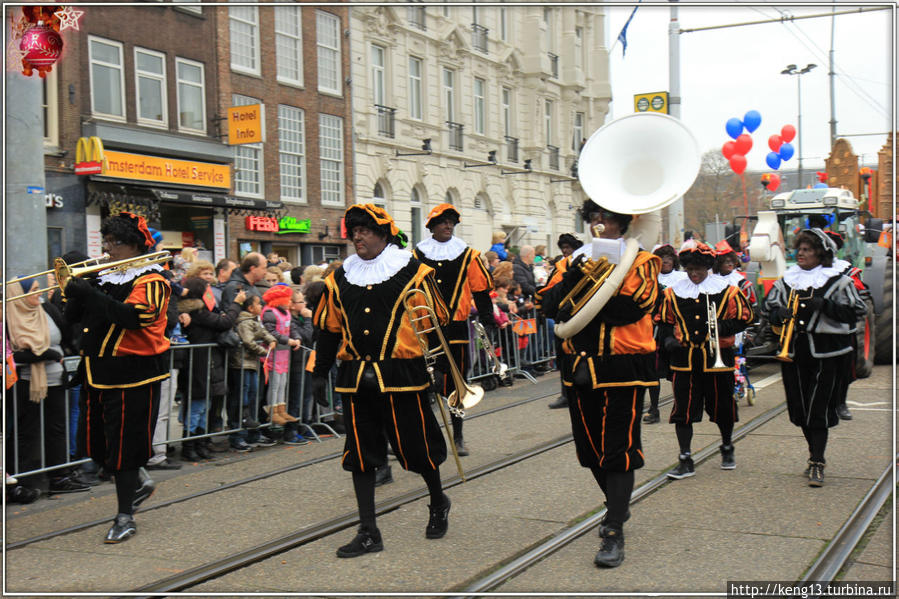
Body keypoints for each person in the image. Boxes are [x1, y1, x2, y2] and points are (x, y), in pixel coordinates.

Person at [311, 204, 452, 558]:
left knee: (418, 450)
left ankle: (438, 500)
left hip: (404, 376)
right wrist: (318, 372)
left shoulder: (414, 272)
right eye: (354, 230)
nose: (358, 235)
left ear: (384, 234)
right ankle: (368, 531)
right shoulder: (340, 277)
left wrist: (440, 371)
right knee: (361, 456)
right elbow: (328, 330)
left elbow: (436, 324)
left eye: (366, 230)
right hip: (356, 379)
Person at [536, 199, 660, 568]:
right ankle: (618, 506)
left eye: (605, 217)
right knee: (590, 450)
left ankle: (612, 529)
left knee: (618, 447)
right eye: (593, 218)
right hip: (578, 367)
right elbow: (549, 306)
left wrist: (594, 286)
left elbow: (632, 308)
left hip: (623, 366)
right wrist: (575, 279)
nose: (598, 224)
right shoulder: (572, 262)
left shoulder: (642, 262)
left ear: (622, 222)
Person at [63, 212, 171, 543]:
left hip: (133, 374)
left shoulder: (153, 280)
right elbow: (73, 320)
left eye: (115, 243)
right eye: (106, 241)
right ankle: (138, 480)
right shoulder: (106, 277)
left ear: (134, 245)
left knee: (125, 448)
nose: (108, 249)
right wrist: (74, 292)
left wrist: (91, 293)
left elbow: (134, 318)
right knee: (96, 446)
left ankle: (125, 514)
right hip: (97, 371)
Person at [766, 229, 866, 487]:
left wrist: (824, 305)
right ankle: (814, 454)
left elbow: (857, 310)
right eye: (799, 249)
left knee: (818, 409)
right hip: (795, 352)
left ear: (821, 255)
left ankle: (817, 461)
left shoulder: (838, 282)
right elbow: (768, 308)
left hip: (828, 354)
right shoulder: (787, 280)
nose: (800, 253)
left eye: (807, 249)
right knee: (800, 410)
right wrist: (779, 314)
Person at [658, 242, 754, 478]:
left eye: (699, 268)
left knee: (722, 407)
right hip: (685, 360)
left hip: (717, 358)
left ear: (708, 268)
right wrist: (668, 340)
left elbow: (746, 317)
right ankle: (685, 457)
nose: (694, 273)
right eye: (690, 268)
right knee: (683, 409)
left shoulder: (727, 290)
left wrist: (724, 326)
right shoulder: (672, 292)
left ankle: (727, 446)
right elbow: (664, 321)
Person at [412, 203, 495, 457]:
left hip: (456, 328)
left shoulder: (467, 254)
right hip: (426, 328)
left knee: (457, 385)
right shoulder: (418, 254)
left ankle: (458, 436)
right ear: (432, 226)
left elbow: (480, 289)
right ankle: (425, 436)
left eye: (451, 222)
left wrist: (488, 318)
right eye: (442, 222)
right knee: (425, 382)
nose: (448, 226)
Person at [5, 277, 90, 496]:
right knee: (26, 431)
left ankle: (59, 477)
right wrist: (47, 354)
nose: (38, 294)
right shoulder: (9, 315)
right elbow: (11, 355)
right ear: (18, 294)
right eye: (32, 291)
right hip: (26, 382)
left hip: (54, 379)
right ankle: (23, 480)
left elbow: (65, 333)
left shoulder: (46, 308)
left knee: (57, 428)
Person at [176, 277, 244, 461]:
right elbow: (224, 323)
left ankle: (200, 441)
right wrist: (236, 304)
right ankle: (189, 444)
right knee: (197, 405)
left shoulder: (199, 311)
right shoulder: (197, 311)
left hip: (207, 362)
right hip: (198, 363)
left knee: (205, 405)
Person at [825, 230, 866, 421]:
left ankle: (841, 402)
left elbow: (858, 301)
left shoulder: (847, 270)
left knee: (843, 369)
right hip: (815, 331)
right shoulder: (805, 273)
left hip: (842, 329)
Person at [643, 244, 686, 424]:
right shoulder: (650, 278)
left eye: (669, 257)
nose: (666, 260)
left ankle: (682, 406)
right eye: (662, 257)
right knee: (652, 372)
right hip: (655, 330)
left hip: (675, 329)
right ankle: (654, 409)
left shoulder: (682, 278)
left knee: (678, 370)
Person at [228, 294, 275, 452]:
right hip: (242, 364)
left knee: (253, 397)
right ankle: (237, 435)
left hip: (251, 364)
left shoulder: (255, 320)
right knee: (242, 399)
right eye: (258, 304)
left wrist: (271, 340)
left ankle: (251, 433)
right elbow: (248, 341)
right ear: (250, 308)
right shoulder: (244, 322)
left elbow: (263, 332)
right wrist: (263, 350)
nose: (261, 306)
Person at [542, 233, 584, 410]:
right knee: (563, 358)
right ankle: (566, 393)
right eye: (563, 248)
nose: (566, 251)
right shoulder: (559, 267)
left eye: (569, 248)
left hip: (579, 318)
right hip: (563, 319)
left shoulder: (582, 264)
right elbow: (550, 290)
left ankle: (579, 392)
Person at [261, 284, 302, 429]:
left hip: (283, 354)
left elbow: (292, 329)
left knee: (282, 383)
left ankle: (281, 409)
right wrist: (287, 340)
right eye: (288, 299)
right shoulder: (269, 313)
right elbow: (271, 331)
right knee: (275, 384)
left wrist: (297, 339)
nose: (290, 302)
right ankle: (273, 410)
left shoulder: (286, 313)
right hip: (273, 353)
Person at [286, 289, 315, 444]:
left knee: (306, 395)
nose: (304, 305)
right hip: (295, 362)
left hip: (307, 361)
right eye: (300, 302)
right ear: (291, 305)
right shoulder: (291, 320)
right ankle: (292, 429)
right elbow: (306, 337)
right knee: (296, 397)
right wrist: (309, 320)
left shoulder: (300, 318)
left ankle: (304, 425)